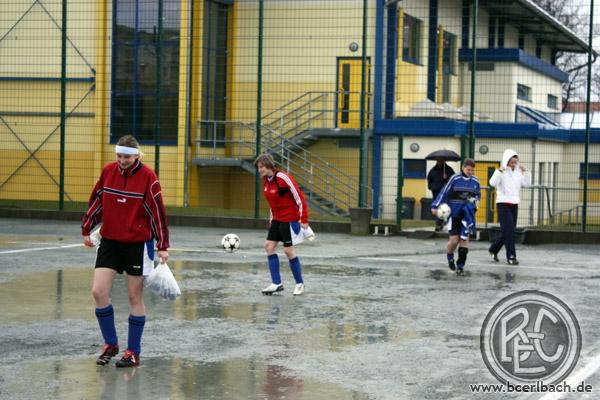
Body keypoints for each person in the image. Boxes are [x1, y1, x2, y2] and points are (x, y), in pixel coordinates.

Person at [81, 135, 169, 368]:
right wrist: (87, 227)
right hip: (110, 241)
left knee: (133, 296)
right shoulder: (108, 171)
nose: (122, 160)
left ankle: (133, 352)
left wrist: (163, 245)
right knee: (98, 292)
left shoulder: (148, 177)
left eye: (127, 157)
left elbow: (157, 213)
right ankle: (110, 344)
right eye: (119, 156)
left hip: (137, 244)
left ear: (137, 155)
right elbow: (97, 201)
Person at [255, 154, 309, 296]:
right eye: (258, 167)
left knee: (288, 251)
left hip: (290, 219)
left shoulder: (283, 178)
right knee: (269, 246)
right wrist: (272, 219)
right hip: (277, 220)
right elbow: (273, 204)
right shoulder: (266, 181)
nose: (259, 170)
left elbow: (299, 197)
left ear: (268, 166)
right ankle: (276, 283)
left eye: (261, 167)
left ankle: (299, 283)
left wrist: (303, 218)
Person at [431, 159, 480, 275]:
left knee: (464, 240)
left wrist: (473, 206)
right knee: (454, 240)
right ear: (463, 168)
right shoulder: (455, 179)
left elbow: (478, 196)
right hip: (454, 214)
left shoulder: (475, 181)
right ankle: (450, 257)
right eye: (468, 169)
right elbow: (444, 192)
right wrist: (435, 206)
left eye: (472, 170)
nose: (470, 172)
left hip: (466, 216)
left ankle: (460, 266)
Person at [488, 149, 531, 265]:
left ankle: (493, 249)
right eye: (511, 162)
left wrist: (526, 172)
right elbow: (492, 183)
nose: (513, 164)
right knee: (510, 232)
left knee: (508, 231)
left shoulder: (517, 173)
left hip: (514, 205)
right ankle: (511, 256)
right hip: (503, 204)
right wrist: (499, 171)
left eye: (515, 162)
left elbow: (527, 184)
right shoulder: (501, 172)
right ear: (506, 161)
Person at [427, 159, 455, 231]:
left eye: (441, 160)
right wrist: (431, 187)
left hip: (445, 193)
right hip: (436, 191)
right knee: (437, 208)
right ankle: (439, 224)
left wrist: (446, 178)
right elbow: (429, 179)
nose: (440, 162)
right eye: (438, 160)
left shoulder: (448, 170)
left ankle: (443, 223)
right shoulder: (433, 170)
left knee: (445, 208)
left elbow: (452, 180)